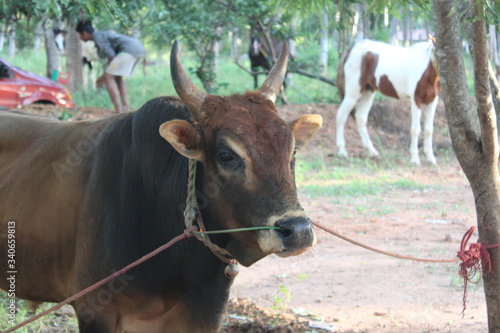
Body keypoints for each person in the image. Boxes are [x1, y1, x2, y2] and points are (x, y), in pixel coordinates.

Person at [76, 20, 145, 113]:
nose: (80, 38)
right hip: (138, 48)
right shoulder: (100, 35)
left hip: (128, 50)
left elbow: (111, 55)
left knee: (108, 77)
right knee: (118, 77)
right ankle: (125, 107)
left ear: (84, 33)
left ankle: (118, 109)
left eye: (80, 35)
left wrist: (105, 75)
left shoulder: (97, 37)